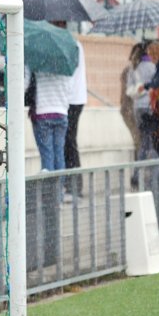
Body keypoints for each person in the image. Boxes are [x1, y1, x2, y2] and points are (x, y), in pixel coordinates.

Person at [26, 67, 72, 172]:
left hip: (43, 113)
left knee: (47, 155)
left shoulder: (36, 62)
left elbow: (25, 85)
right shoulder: (64, 66)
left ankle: (49, 187)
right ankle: (59, 187)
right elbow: (70, 91)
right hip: (61, 113)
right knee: (59, 153)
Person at [127, 42, 158, 188]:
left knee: (144, 142)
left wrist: (139, 90)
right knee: (152, 143)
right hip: (151, 108)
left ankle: (136, 174)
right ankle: (153, 177)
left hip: (137, 108)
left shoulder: (133, 68)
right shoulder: (154, 67)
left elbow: (129, 91)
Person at [63, 26, 87, 199]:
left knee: (69, 142)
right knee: (67, 143)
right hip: (72, 99)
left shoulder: (71, 44)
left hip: (72, 100)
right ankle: (70, 185)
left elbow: (70, 71)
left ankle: (75, 186)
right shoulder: (72, 43)